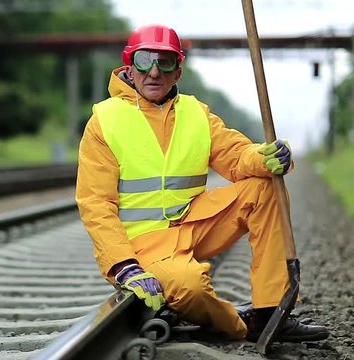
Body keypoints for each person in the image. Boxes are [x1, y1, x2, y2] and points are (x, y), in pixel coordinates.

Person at [75, 24, 329, 343]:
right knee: (190, 288)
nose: (154, 71)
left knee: (265, 187)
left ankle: (271, 311)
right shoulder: (105, 121)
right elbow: (96, 205)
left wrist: (265, 157)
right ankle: (241, 325)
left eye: (165, 62)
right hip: (143, 245)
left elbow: (236, 156)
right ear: (129, 65)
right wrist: (124, 266)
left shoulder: (196, 113)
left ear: (178, 71)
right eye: (145, 60)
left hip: (195, 225)